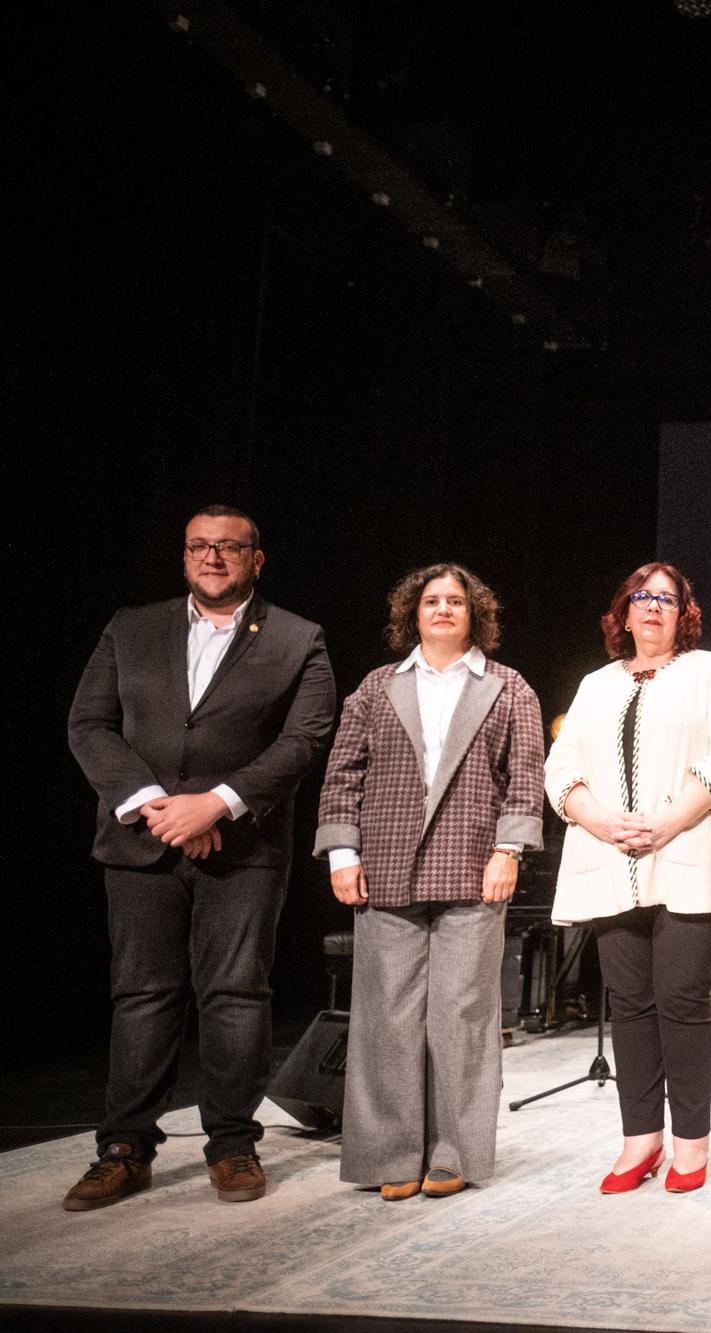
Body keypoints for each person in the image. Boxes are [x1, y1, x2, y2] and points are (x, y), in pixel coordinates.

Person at [64, 505, 336, 1210]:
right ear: (185, 556)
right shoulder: (131, 626)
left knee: (235, 994)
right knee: (143, 994)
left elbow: (305, 739)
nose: (212, 557)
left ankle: (233, 1144)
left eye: (228, 547)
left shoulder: (296, 636)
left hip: (242, 849)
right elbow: (89, 724)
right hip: (140, 839)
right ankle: (124, 1148)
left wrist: (217, 803)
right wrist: (159, 804)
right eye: (199, 546)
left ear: (256, 558)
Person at [313, 563, 545, 1199]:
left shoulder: (507, 687)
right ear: (412, 614)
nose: (443, 610)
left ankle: (454, 1152)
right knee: (385, 1018)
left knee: (462, 1017)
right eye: (431, 601)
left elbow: (525, 776)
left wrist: (509, 851)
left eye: (456, 602)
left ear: (476, 615)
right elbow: (343, 775)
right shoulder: (378, 686)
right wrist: (341, 854)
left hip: (473, 867)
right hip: (385, 869)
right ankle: (391, 1155)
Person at [545, 562, 711, 1195]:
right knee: (630, 1002)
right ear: (624, 611)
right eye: (642, 597)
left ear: (682, 613)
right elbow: (562, 769)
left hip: (688, 852)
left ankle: (691, 1144)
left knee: (681, 998)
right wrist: (604, 823)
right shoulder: (595, 683)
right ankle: (641, 1140)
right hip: (610, 860)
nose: (654, 608)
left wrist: (665, 823)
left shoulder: (709, 671)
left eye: (667, 599)